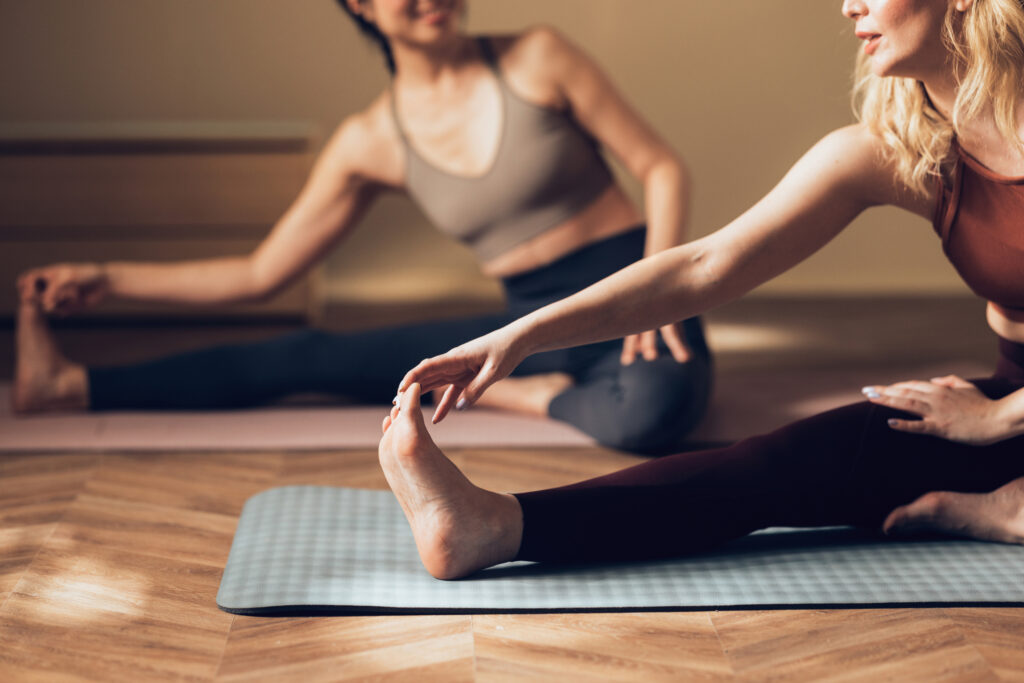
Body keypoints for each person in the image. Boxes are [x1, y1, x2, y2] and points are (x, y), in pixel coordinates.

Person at [380, 0, 1024, 580]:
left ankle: (1003, 509)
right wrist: (521, 337)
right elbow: (704, 266)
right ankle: (493, 527)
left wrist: (996, 418)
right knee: (774, 466)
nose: (848, 6)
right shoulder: (902, 152)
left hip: (1007, 417)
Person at [12, 0, 713, 454]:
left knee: (652, 416)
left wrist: (660, 293)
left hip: (634, 298)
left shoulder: (538, 55)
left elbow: (661, 168)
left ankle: (527, 396)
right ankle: (68, 385)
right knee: (305, 356)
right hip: (520, 325)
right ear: (361, 5)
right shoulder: (370, 140)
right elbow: (261, 274)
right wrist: (108, 276)